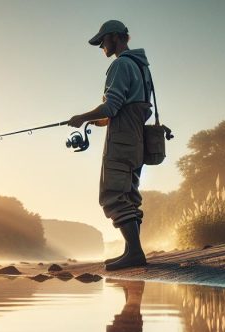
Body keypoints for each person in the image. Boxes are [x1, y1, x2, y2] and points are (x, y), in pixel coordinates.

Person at [68, 20, 154, 271]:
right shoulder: (141, 66)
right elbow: (127, 107)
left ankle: (135, 252)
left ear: (115, 37)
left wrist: (81, 117)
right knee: (129, 195)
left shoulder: (120, 64)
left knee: (112, 195)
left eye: (102, 41)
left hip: (122, 140)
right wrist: (96, 121)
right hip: (137, 139)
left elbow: (112, 105)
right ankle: (131, 250)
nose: (101, 46)